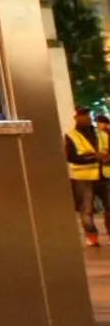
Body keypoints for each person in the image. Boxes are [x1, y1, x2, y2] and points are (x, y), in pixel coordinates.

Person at [65, 106, 110, 247]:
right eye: (83, 115)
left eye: (88, 115)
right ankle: (92, 237)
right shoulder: (71, 135)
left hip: (105, 175)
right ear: (76, 118)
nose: (87, 118)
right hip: (83, 178)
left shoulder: (102, 134)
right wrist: (93, 158)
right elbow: (71, 157)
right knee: (87, 210)